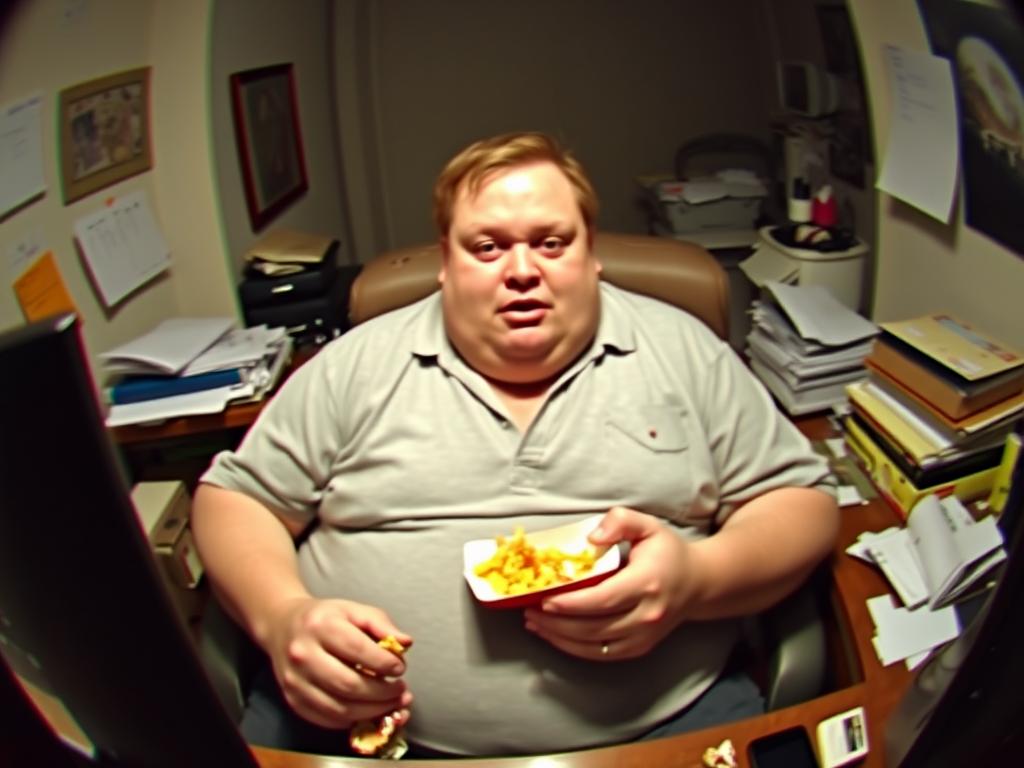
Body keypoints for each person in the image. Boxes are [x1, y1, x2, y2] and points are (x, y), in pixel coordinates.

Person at [192, 131, 839, 758]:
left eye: (552, 243)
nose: (522, 270)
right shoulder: (352, 365)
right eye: (487, 247)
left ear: (592, 254)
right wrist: (283, 618)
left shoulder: (683, 349)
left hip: (665, 732)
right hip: (374, 740)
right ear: (445, 263)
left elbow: (801, 502)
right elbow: (235, 502)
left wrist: (697, 580)